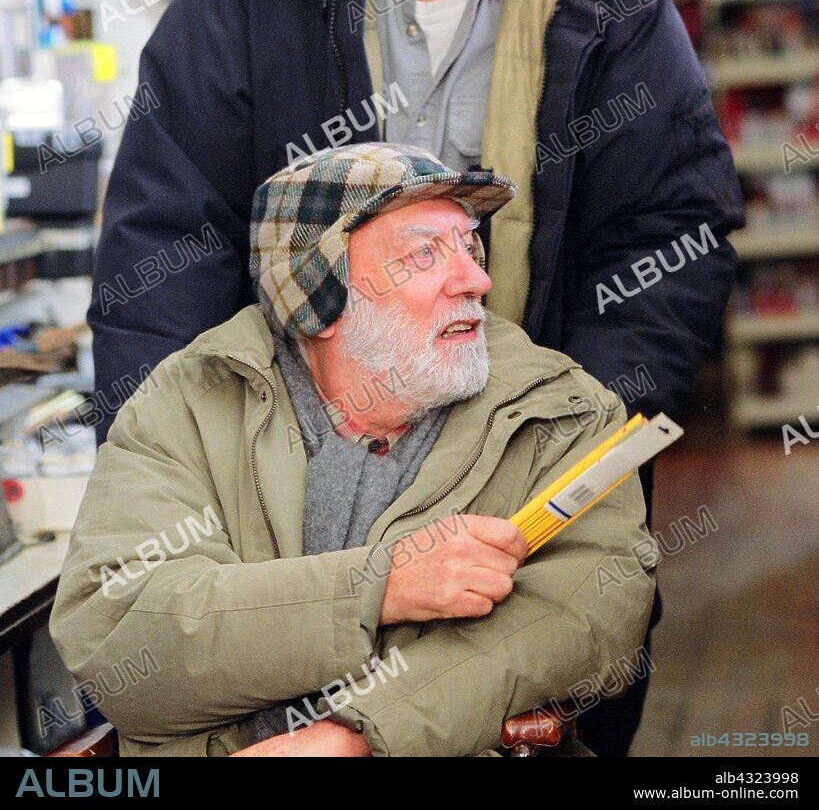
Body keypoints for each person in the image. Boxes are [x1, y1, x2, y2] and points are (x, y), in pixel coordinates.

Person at [88, 0, 744, 753]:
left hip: (522, 469)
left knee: (528, 698)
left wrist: (576, 424)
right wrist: (163, 457)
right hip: (294, 465)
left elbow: (677, 225)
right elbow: (168, 234)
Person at [51, 145, 656, 757]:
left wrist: (357, 737)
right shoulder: (187, 404)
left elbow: (591, 614)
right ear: (320, 299)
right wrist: (376, 587)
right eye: (425, 254)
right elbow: (117, 639)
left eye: (469, 246)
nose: (478, 279)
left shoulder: (556, 407)